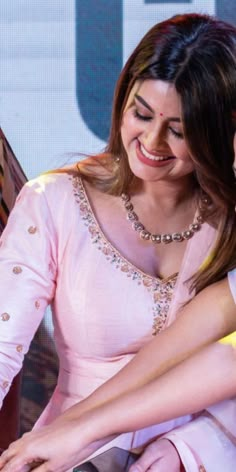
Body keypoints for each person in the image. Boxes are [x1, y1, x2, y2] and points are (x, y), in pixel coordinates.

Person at [0, 12, 236, 472]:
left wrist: (199, 444)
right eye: (142, 113)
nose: (151, 141)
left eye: (180, 130)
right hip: (73, 454)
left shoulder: (229, 216)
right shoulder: (55, 202)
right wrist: (80, 434)